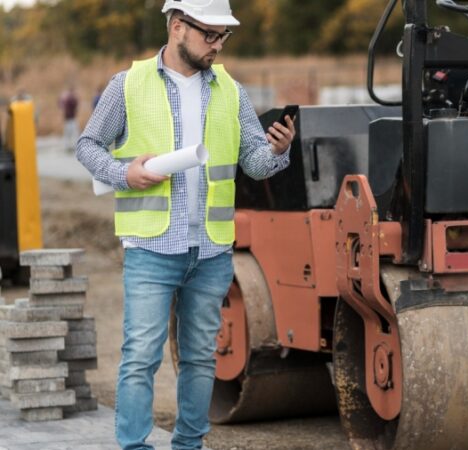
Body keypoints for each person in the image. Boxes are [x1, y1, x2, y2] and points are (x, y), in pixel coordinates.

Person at [75, 0, 295, 448]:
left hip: (211, 250)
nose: (218, 45)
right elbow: (87, 145)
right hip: (151, 247)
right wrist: (124, 172)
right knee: (140, 358)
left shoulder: (231, 90)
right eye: (210, 35)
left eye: (224, 37)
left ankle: (189, 445)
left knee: (199, 358)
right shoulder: (128, 85)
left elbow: (252, 164)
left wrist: (275, 151)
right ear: (178, 27)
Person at [59, 85, 79, 152]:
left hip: (69, 119)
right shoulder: (70, 99)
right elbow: (75, 104)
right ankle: (70, 146)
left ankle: (68, 146)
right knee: (72, 133)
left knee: (69, 134)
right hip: (70, 119)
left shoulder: (66, 99)